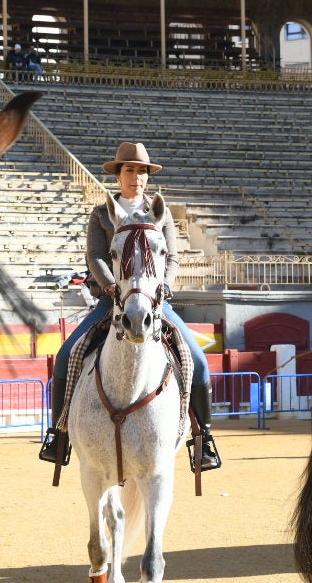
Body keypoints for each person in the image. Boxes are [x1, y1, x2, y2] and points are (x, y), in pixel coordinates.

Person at [38, 142, 221, 472]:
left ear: (148, 177)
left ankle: (204, 439)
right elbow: (95, 256)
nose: (136, 176)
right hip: (111, 301)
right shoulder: (100, 214)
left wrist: (165, 284)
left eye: (142, 171)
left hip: (154, 301)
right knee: (67, 356)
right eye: (129, 170)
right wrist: (110, 286)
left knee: (198, 360)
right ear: (119, 175)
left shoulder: (159, 213)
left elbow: (173, 257)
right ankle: (59, 434)